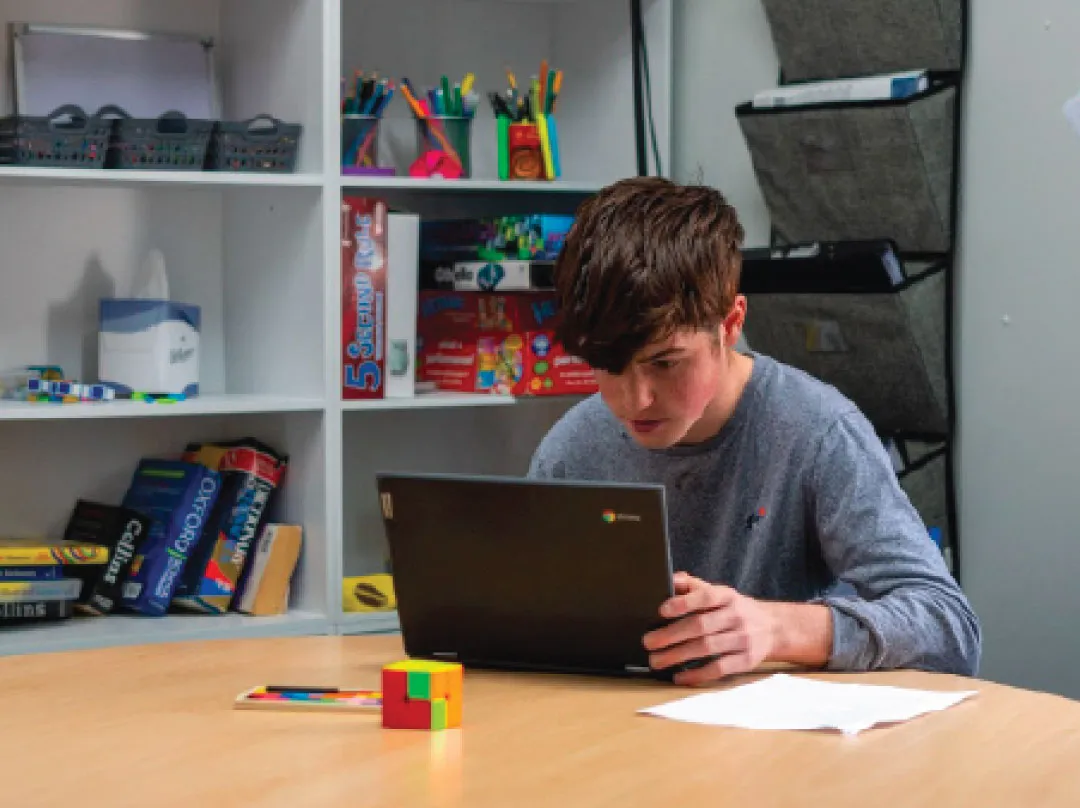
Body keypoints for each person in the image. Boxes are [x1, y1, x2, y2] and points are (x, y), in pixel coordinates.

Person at [527, 177, 981, 686]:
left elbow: (950, 627)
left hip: (780, 750)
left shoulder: (818, 432)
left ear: (730, 323)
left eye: (665, 362)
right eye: (607, 365)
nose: (634, 400)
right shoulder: (570, 450)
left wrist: (779, 629)